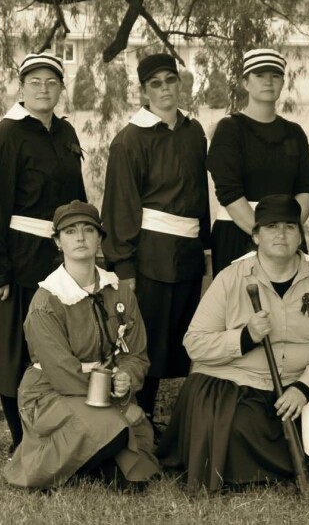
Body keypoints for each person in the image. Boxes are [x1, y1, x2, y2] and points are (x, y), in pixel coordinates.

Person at [156, 195, 309, 492]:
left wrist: (304, 388)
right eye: (271, 226)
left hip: (302, 379)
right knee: (235, 426)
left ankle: (304, 452)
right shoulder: (229, 278)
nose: (281, 234)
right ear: (255, 235)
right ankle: (275, 466)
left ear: (300, 235)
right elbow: (195, 344)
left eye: (290, 226)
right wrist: (244, 337)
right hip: (242, 380)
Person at [4, 201, 158, 490]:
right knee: (116, 429)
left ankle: (91, 459)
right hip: (53, 391)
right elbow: (63, 373)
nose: (80, 237)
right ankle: (43, 462)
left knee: (135, 475)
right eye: (70, 231)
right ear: (57, 242)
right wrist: (112, 390)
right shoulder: (46, 301)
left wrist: (127, 376)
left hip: (104, 389)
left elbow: (135, 354)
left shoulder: (119, 291)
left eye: (89, 230)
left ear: (99, 238)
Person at [0, 52, 87, 454]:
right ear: (21, 87)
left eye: (51, 82)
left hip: (60, 260)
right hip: (17, 261)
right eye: (35, 82)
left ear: (61, 88)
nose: (44, 89)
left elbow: (78, 200)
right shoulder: (5, 135)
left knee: (55, 349)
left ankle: (56, 431)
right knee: (15, 355)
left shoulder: (66, 133)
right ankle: (21, 441)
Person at [101, 53, 210, 431]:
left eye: (170, 81)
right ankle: (139, 421)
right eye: (156, 84)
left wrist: (206, 248)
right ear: (143, 91)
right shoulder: (130, 140)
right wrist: (124, 268)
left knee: (179, 342)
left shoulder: (194, 132)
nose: (165, 89)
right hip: (150, 257)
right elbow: (120, 207)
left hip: (188, 255)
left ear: (181, 84)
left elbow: (200, 196)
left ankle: (177, 422)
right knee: (144, 343)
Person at [207, 48, 309, 276]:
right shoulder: (230, 130)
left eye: (275, 76)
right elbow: (229, 192)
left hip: (286, 237)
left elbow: (306, 187)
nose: (268, 81)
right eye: (259, 75)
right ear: (245, 82)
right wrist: (263, 235)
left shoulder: (294, 133)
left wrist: (287, 233)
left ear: (282, 82)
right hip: (239, 233)